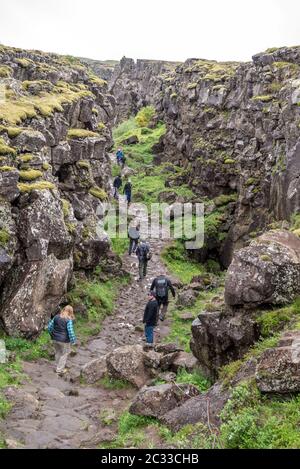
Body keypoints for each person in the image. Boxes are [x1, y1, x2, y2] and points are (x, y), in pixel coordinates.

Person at [48, 305, 76, 376]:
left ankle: (57, 367)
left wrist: (52, 334)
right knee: (64, 354)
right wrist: (73, 340)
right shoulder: (68, 320)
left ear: (64, 310)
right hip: (64, 340)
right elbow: (70, 331)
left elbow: (49, 327)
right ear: (71, 312)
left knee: (58, 352)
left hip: (54, 338)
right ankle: (60, 370)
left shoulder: (56, 317)